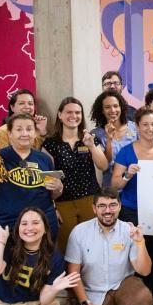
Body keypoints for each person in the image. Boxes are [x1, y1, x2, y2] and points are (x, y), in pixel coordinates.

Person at [65, 190, 153, 305]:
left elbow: (145, 271)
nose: (107, 210)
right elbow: (73, 274)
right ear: (94, 209)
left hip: (122, 285)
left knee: (144, 298)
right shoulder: (79, 232)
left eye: (113, 205)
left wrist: (141, 243)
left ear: (119, 206)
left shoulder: (129, 231)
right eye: (102, 206)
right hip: (93, 292)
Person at [112, 107, 153, 304]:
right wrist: (128, 175)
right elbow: (114, 185)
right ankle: (135, 290)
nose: (149, 128)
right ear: (137, 126)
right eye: (145, 124)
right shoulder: (126, 152)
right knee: (135, 250)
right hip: (132, 209)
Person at [0, 114, 63, 239]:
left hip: (42, 221)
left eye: (29, 129)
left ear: (35, 133)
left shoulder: (45, 159)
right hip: (8, 224)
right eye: (19, 129)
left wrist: (58, 187)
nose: (25, 133)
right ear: (9, 133)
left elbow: (53, 195)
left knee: (44, 258)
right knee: (8, 258)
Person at [42, 97, 108, 253]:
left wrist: (91, 146)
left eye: (78, 112)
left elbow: (103, 165)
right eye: (69, 112)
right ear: (60, 115)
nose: (74, 116)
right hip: (63, 203)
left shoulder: (90, 139)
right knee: (67, 247)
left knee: (92, 245)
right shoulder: (50, 144)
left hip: (89, 199)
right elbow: (48, 179)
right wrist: (52, 207)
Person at [90, 89, 138, 189]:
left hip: (135, 185)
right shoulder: (96, 134)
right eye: (107, 107)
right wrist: (109, 139)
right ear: (102, 110)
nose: (112, 110)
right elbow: (105, 164)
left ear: (121, 107)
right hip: (111, 189)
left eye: (116, 106)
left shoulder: (135, 128)